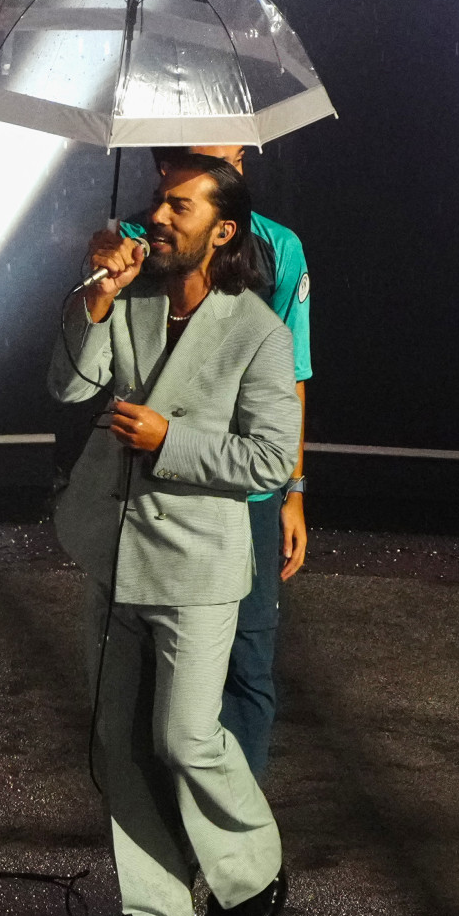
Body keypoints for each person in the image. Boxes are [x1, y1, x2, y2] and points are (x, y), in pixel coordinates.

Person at [48, 152, 300, 916]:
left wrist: (172, 441)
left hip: (195, 565)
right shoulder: (133, 300)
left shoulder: (256, 329)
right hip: (114, 547)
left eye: (181, 207)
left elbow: (268, 461)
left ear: (221, 231)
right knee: (117, 743)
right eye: (160, 201)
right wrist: (97, 298)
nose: (160, 217)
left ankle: (253, 870)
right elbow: (71, 387)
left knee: (184, 737)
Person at [154, 146, 311, 780]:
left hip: (245, 496)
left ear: (242, 151)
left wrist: (293, 491)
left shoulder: (279, 247)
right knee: (155, 670)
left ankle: (234, 853)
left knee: (246, 663)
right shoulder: (141, 240)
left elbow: (291, 376)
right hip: (156, 497)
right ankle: (168, 835)